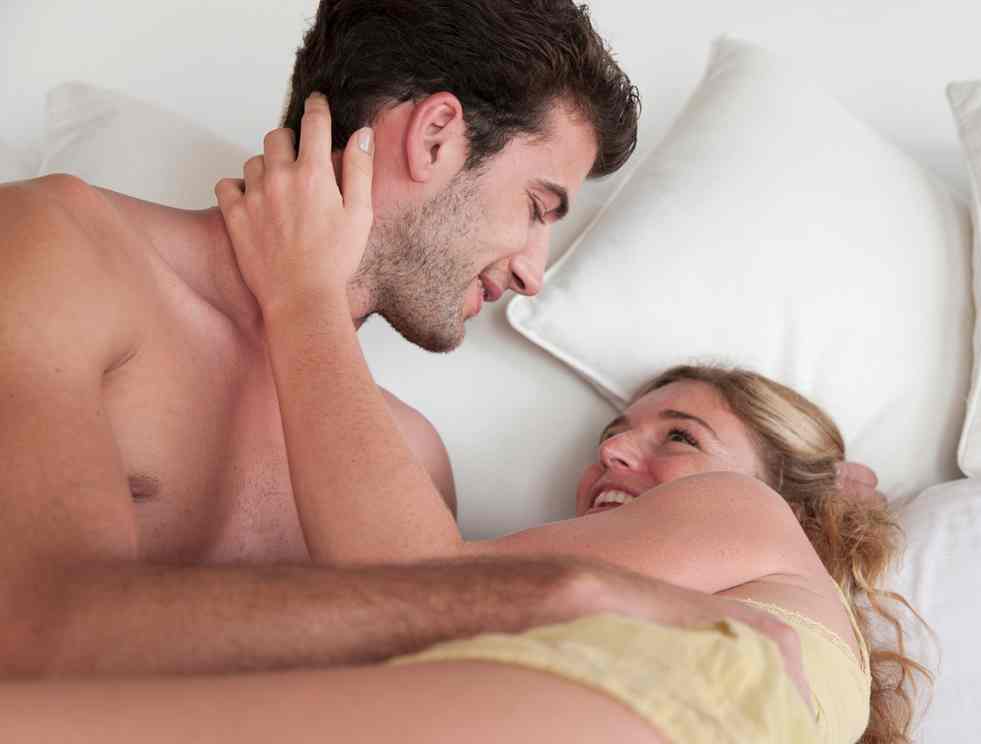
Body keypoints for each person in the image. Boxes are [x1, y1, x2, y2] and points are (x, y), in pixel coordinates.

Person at [0, 0, 784, 678]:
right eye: (537, 207)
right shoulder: (59, 247)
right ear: (436, 137)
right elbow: (34, 630)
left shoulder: (409, 463)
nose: (531, 272)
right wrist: (553, 595)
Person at [181, 102, 937, 742]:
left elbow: (413, 588)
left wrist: (303, 294)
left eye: (681, 436)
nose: (616, 453)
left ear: (796, 503)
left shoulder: (751, 515)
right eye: (612, 436)